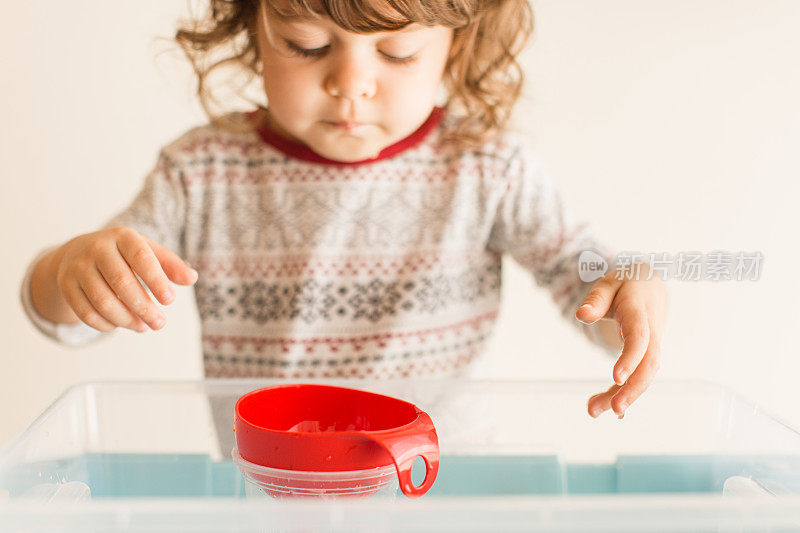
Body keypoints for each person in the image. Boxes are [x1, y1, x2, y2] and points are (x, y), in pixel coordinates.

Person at [20, 0, 667, 422]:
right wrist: (68, 270)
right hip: (269, 499)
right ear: (253, 27)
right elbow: (69, 318)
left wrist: (630, 295)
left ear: (455, 46)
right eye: (305, 44)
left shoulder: (488, 169)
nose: (351, 83)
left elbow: (586, 282)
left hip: (439, 497)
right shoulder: (201, 171)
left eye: (396, 53)